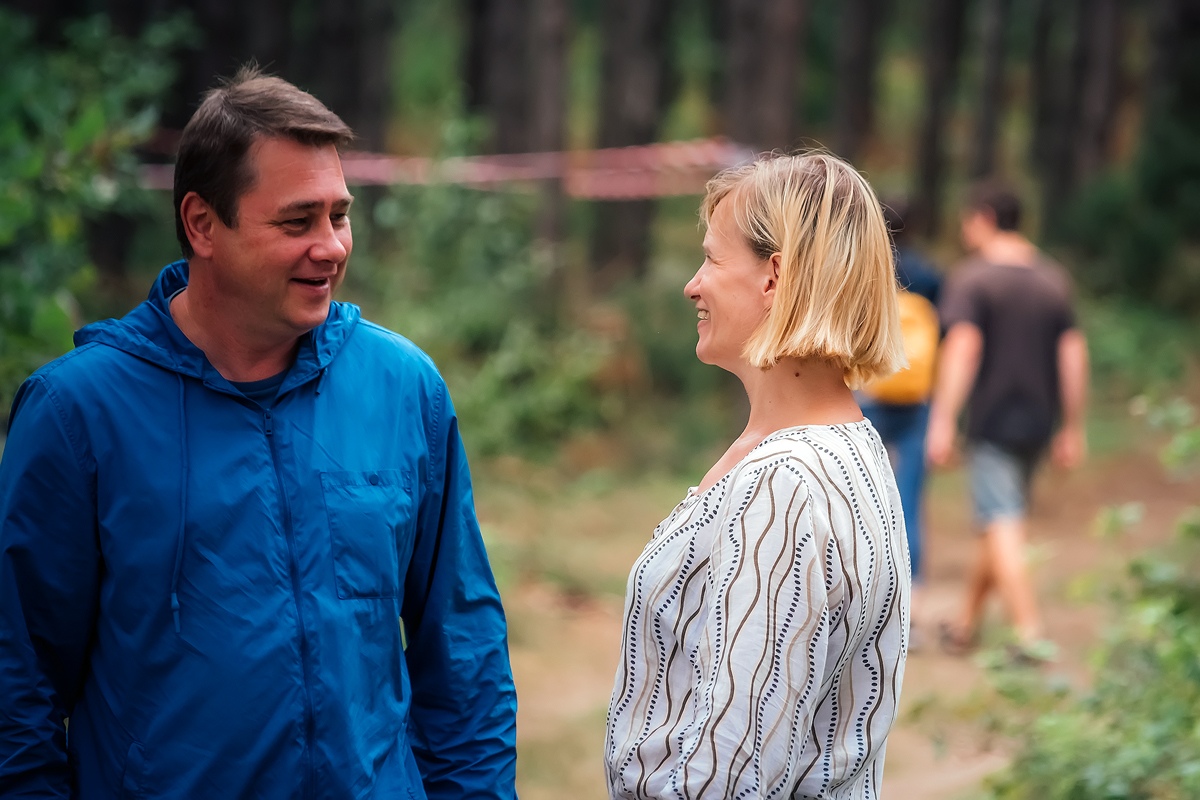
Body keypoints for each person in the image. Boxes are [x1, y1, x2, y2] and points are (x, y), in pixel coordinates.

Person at [0, 67, 517, 798]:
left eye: (339, 216)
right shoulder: (77, 411)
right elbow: (15, 686)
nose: (331, 246)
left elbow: (464, 657)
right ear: (202, 224)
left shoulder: (403, 387)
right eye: (297, 221)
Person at [605, 152, 911, 799]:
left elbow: (727, 769)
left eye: (711, 260)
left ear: (774, 277)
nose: (692, 285)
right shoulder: (853, 447)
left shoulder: (786, 482)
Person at [926, 181, 1089, 660]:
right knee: (1000, 523)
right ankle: (966, 624)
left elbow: (964, 347)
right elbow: (1072, 354)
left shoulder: (973, 278)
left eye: (966, 220)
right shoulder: (1053, 279)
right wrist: (1072, 425)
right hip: (1039, 422)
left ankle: (1029, 634)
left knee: (1001, 522)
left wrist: (942, 418)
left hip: (993, 421)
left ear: (984, 217)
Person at [860, 198, 942, 597]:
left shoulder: (864, 269)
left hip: (871, 388)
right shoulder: (929, 275)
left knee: (863, 486)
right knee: (908, 487)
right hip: (916, 394)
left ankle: (870, 571)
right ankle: (911, 577)